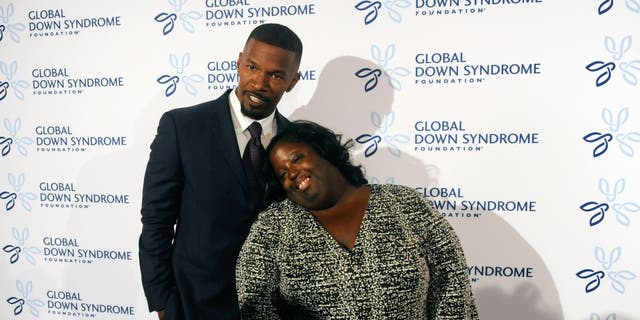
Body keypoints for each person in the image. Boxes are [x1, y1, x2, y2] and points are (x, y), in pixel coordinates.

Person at [139, 23, 302, 320]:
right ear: (239, 62)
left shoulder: (298, 143)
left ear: (293, 81)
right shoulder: (183, 127)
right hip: (193, 303)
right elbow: (156, 220)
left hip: (274, 308)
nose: (259, 82)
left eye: (276, 75)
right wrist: (162, 301)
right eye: (252, 67)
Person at [236, 121, 479, 319]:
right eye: (281, 174)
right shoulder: (274, 225)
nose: (291, 172)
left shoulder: (405, 204)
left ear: (325, 153)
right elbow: (253, 297)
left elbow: (452, 283)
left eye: (297, 158)